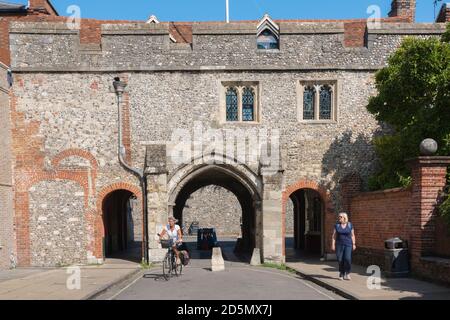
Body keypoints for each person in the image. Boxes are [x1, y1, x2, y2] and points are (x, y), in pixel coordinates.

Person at [331, 212, 356, 280]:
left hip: (348, 244)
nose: (339, 218)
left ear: (344, 217)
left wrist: (353, 244)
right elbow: (334, 236)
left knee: (347, 259)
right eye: (339, 216)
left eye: (340, 217)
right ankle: (341, 273)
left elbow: (352, 235)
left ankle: (347, 273)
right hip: (339, 245)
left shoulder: (350, 225)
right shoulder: (337, 225)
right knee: (340, 259)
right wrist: (333, 244)